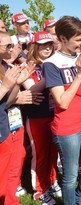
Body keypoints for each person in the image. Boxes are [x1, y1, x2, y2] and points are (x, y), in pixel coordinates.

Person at [43, 16, 81, 205]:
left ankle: (79, 198)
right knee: (70, 176)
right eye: (77, 39)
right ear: (62, 39)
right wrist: (78, 75)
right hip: (67, 127)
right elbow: (62, 102)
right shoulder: (52, 63)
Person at [23, 31, 61, 205]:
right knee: (41, 155)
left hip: (54, 114)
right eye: (43, 44)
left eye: (49, 44)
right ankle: (39, 190)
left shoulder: (53, 63)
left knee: (54, 153)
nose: (47, 47)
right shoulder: (29, 65)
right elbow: (32, 91)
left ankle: (52, 181)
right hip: (37, 116)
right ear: (34, 46)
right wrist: (50, 75)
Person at [0, 31, 34, 205]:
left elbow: (8, 100)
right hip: (3, 127)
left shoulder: (5, 67)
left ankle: (11, 200)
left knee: (14, 163)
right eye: (8, 46)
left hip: (9, 123)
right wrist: (6, 86)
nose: (13, 49)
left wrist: (18, 83)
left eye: (13, 45)